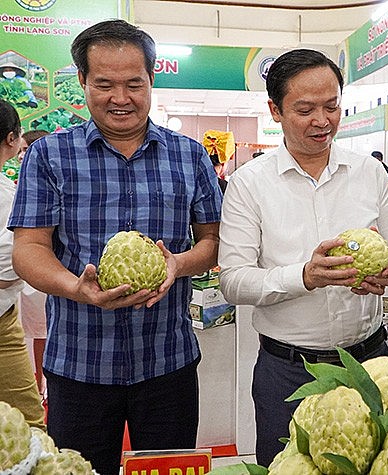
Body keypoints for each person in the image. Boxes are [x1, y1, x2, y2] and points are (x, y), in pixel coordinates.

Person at [9, 20, 223, 475]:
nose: (120, 98)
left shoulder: (190, 156)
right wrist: (75, 286)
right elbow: (28, 248)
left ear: (151, 81)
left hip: (168, 362)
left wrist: (178, 264)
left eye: (134, 84)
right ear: (83, 80)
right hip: (80, 365)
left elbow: (214, 241)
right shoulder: (50, 155)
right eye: (104, 84)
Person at [218, 48, 388, 466]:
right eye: (305, 109)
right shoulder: (249, 184)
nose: (322, 121)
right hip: (288, 371)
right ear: (276, 110)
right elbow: (233, 280)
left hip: (369, 362)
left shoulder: (369, 173)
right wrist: (304, 276)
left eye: (331, 106)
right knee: (288, 466)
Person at [0, 99, 45, 429]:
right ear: (12, 139)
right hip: (3, 318)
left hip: (7, 314)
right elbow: (12, 263)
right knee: (29, 424)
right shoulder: (8, 196)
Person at [15, 128, 51, 396]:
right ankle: (39, 383)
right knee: (36, 331)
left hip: (48, 274)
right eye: (22, 150)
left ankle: (44, 381)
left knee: (44, 328)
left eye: (27, 149)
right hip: (28, 276)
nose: (22, 155)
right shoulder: (17, 186)